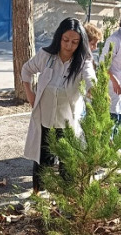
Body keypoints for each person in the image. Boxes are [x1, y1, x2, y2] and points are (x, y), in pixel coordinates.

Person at [21, 17, 96, 194]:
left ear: (81, 43)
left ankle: (66, 200)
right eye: (66, 40)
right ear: (59, 38)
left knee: (67, 164)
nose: (69, 46)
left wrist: (94, 91)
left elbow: (90, 79)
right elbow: (26, 70)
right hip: (45, 120)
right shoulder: (46, 56)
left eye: (75, 42)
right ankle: (38, 196)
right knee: (42, 162)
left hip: (67, 123)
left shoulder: (83, 62)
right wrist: (30, 94)